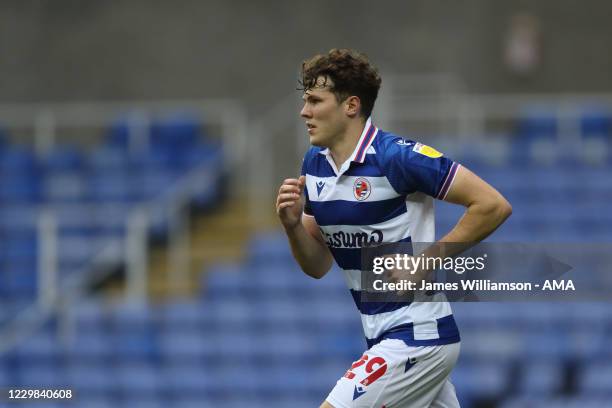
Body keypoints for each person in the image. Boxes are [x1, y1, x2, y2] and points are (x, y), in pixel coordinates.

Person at [276, 49, 511, 408]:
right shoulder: (314, 165)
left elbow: (492, 205)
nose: (303, 111)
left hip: (418, 336)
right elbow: (317, 265)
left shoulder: (397, 157)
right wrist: (292, 226)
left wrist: (426, 262)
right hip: (383, 336)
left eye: (314, 100)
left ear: (351, 105)